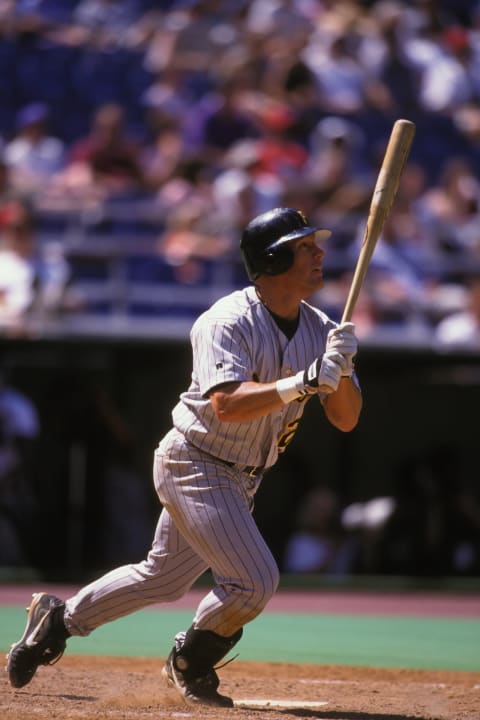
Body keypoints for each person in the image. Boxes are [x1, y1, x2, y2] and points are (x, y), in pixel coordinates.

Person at [6, 207, 362, 707]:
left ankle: (59, 620)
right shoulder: (225, 320)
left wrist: (341, 370)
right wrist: (303, 381)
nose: (320, 252)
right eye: (306, 246)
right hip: (195, 461)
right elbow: (227, 404)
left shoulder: (323, 329)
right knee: (253, 581)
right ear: (275, 258)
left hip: (243, 476)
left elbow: (346, 418)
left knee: (163, 578)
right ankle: (190, 660)